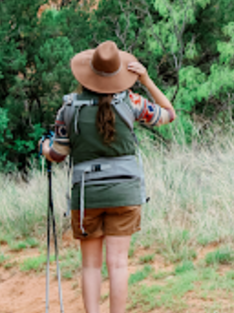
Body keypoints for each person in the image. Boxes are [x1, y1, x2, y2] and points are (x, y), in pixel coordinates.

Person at [39, 40, 176, 313]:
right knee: (118, 263)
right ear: (118, 76)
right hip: (125, 192)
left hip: (87, 193)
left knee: (90, 265)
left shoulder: (68, 109)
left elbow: (57, 154)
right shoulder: (133, 102)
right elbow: (169, 114)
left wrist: (43, 147)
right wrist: (146, 80)